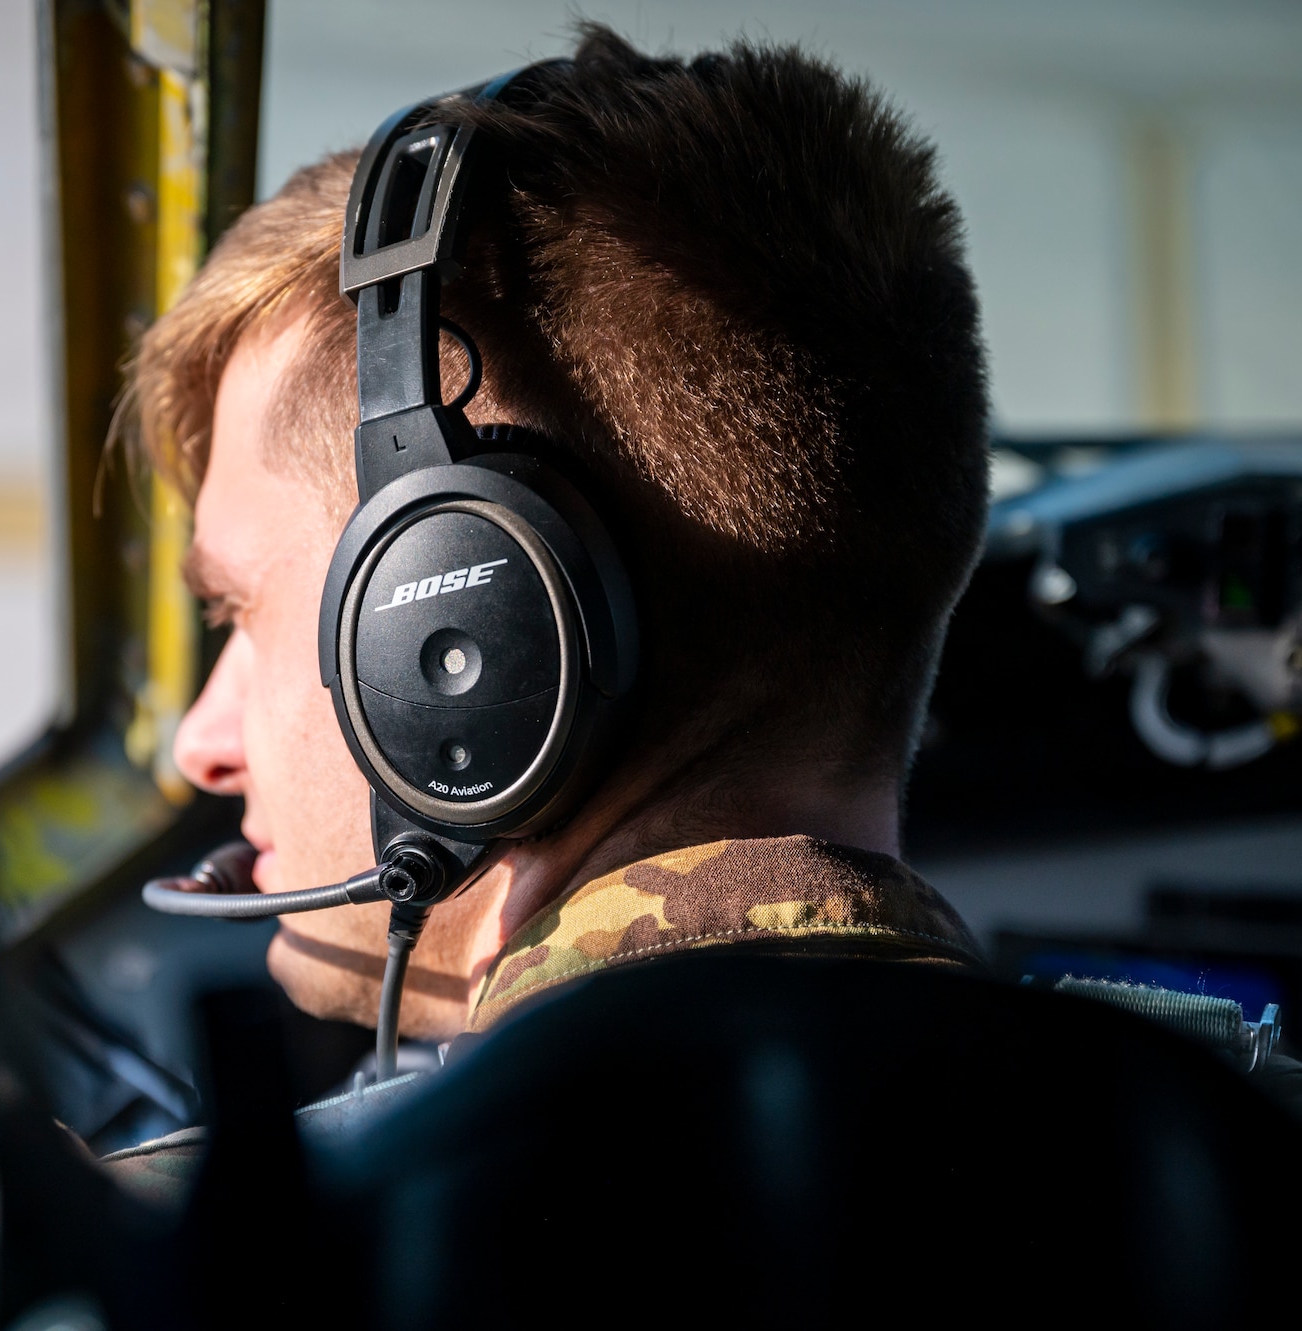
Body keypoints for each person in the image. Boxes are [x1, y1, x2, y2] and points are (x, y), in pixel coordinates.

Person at [103, 26, 989, 1193]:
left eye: (238, 612)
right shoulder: (1212, 1135)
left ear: (448, 624)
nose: (197, 743)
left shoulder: (229, 1256)